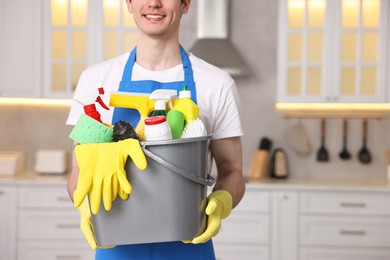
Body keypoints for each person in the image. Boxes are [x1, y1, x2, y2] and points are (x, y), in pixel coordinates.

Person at [66, 0, 245, 259]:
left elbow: (232, 172)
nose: (153, 3)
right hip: (116, 247)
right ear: (128, 3)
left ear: (185, 4)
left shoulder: (216, 83)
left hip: (189, 246)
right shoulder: (96, 81)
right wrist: (83, 203)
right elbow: (78, 170)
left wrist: (222, 201)